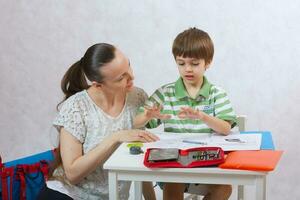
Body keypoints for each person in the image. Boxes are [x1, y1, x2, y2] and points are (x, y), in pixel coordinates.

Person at [37, 43, 159, 200]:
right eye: (121, 77)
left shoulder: (138, 97)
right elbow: (73, 174)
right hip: (68, 195)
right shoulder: (76, 107)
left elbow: (137, 159)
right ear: (98, 85)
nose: (131, 76)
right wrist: (115, 138)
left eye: (128, 65)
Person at [134, 28, 237, 200]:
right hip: (175, 163)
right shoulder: (165, 93)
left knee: (224, 189)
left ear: (208, 62)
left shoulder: (216, 93)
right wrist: (148, 116)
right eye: (181, 63)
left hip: (207, 163)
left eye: (194, 64)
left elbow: (226, 128)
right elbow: (137, 124)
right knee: (173, 183)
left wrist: (202, 116)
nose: (187, 69)